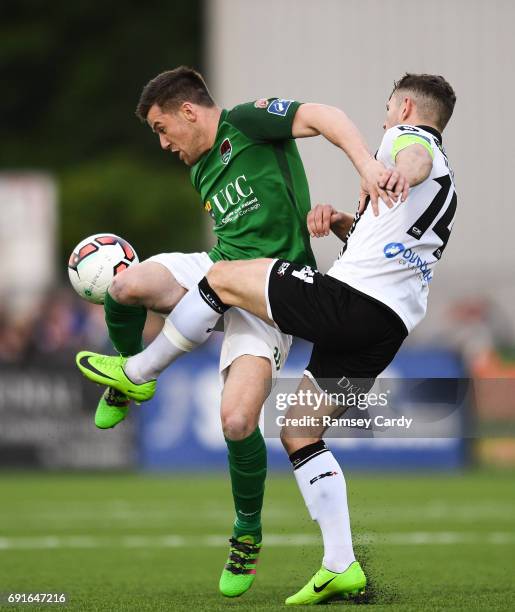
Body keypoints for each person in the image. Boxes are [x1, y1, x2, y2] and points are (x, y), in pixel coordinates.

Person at [81, 66, 407, 598]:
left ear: (189, 111)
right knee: (125, 287)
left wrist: (367, 164)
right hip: (219, 270)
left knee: (236, 421)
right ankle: (128, 377)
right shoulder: (198, 169)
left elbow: (325, 116)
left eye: (163, 129)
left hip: (272, 294)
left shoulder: (248, 122)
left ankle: (247, 533)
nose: (163, 143)